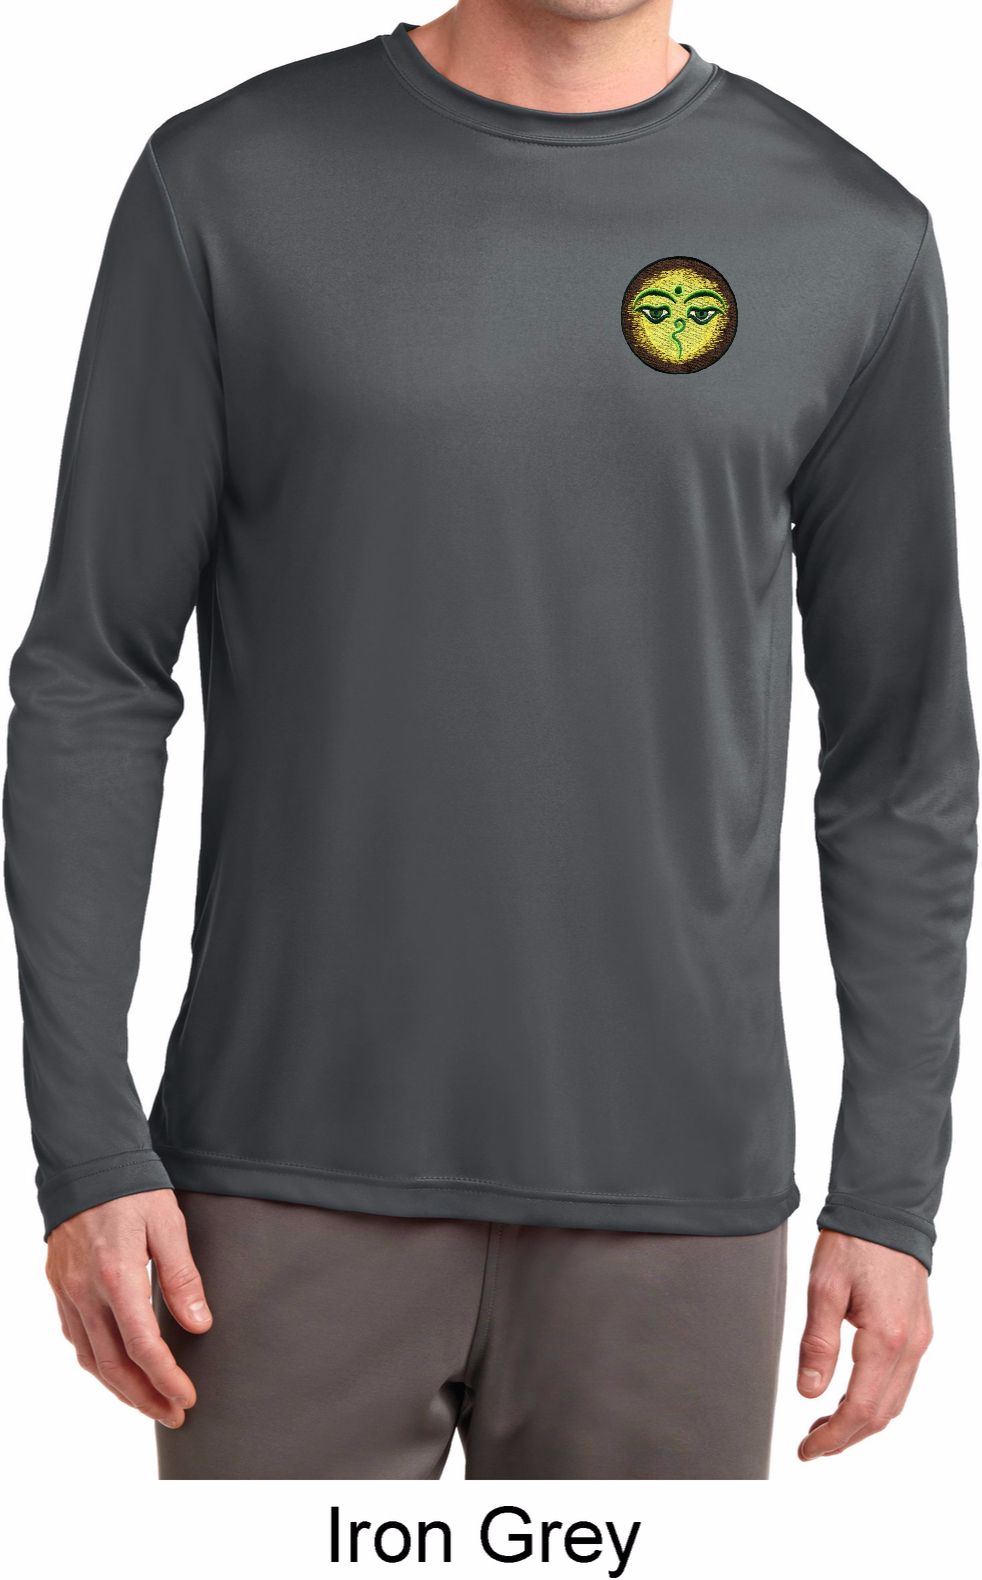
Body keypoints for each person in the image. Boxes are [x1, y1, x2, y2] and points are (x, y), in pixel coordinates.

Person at [4, 0, 976, 1480]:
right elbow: (94, 676)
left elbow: (904, 766)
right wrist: (83, 1147)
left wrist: (890, 1197)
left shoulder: (851, 236)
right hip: (274, 1185)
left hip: (677, 1206)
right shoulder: (227, 183)